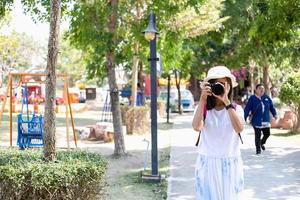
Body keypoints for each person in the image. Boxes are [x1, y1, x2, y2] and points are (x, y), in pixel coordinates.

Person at [192, 66, 245, 200]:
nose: (219, 87)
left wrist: (226, 101)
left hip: (230, 162)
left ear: (229, 87)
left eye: (223, 84)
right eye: (216, 83)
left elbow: (239, 128)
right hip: (207, 162)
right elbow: (197, 127)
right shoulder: (203, 109)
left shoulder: (236, 109)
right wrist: (203, 98)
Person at [244, 84, 277, 155]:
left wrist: (275, 114)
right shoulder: (252, 98)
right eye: (259, 88)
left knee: (267, 134)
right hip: (256, 121)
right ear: (256, 90)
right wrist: (244, 117)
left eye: (263, 88)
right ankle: (258, 150)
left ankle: (262, 143)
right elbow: (247, 108)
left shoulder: (266, 98)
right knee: (257, 135)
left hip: (265, 120)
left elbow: (272, 107)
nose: (262, 90)